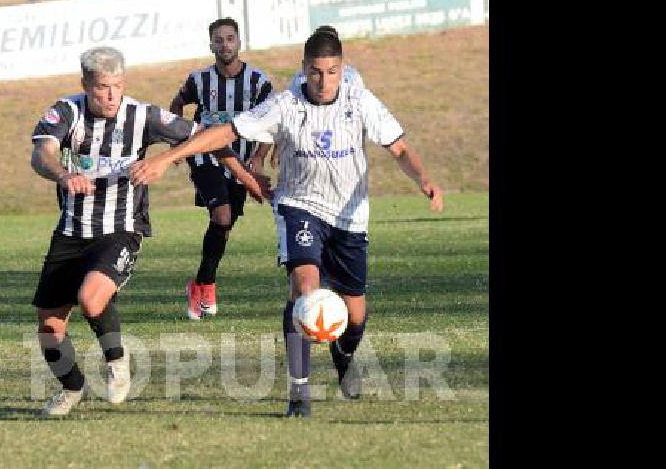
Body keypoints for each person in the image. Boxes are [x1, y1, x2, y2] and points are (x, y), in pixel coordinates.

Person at [130, 28, 444, 418]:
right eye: (315, 72)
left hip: (350, 218)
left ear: (342, 70)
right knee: (305, 287)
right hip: (299, 206)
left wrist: (423, 179)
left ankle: (344, 356)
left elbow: (399, 148)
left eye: (331, 72)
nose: (323, 81)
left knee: (356, 313)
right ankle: (300, 390)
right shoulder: (285, 105)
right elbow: (225, 132)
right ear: (304, 69)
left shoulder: (360, 101)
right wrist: (166, 157)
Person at [29, 46, 267, 417]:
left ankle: (116, 360)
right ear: (85, 85)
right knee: (49, 327)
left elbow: (213, 136)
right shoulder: (66, 112)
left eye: (118, 86)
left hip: (120, 229)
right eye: (102, 88)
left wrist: (246, 178)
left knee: (92, 299)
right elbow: (40, 153)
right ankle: (72, 388)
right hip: (71, 231)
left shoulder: (143, 116)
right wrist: (63, 174)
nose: (111, 96)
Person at [169, 17, 274, 320]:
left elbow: (274, 120)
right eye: (219, 39)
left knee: (224, 227)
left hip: (239, 163)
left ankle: (202, 283)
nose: (225, 44)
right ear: (211, 44)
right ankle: (208, 285)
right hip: (205, 158)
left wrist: (258, 158)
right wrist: (180, 141)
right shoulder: (199, 80)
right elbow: (176, 105)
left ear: (239, 42)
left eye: (230, 38)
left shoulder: (258, 81)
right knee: (222, 214)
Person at [252, 25, 366, 172]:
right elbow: (288, 114)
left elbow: (360, 112)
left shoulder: (352, 76)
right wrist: (278, 147)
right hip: (310, 141)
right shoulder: (300, 77)